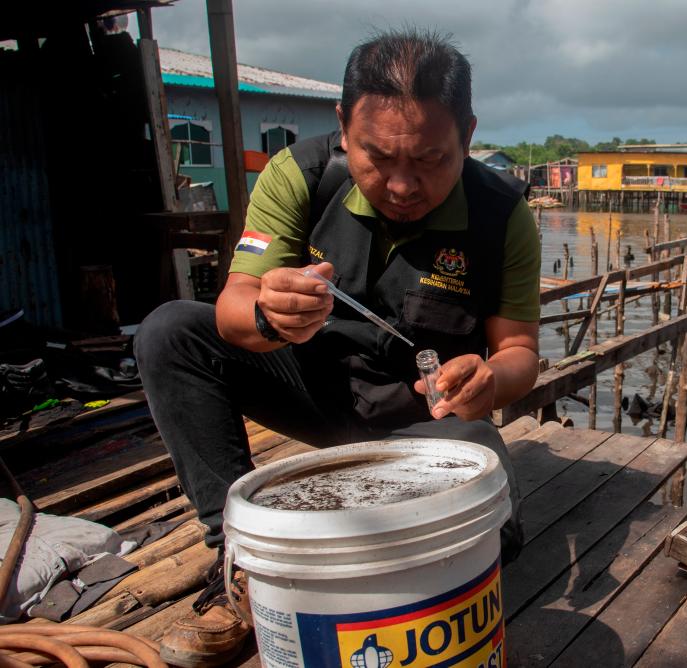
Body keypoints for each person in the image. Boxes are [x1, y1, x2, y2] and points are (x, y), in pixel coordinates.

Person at [134, 29, 540, 668]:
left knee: (492, 497)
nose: (403, 185)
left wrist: (488, 379)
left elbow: (520, 350)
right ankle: (238, 559)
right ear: (343, 128)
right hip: (312, 392)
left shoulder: (503, 215)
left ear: (467, 134)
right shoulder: (297, 175)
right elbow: (233, 305)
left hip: (424, 428)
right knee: (169, 332)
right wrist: (269, 314)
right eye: (377, 157)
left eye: (432, 160)